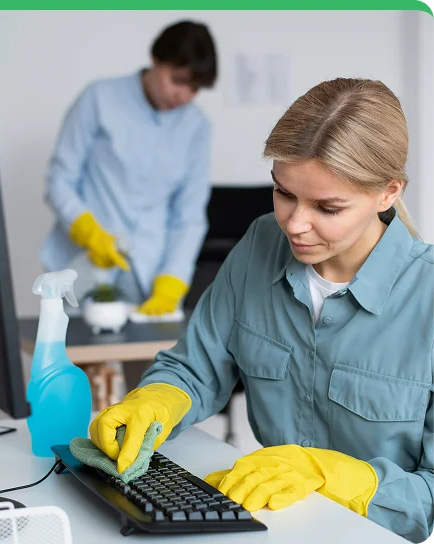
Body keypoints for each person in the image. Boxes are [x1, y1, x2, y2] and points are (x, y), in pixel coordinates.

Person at [89, 78, 433, 543]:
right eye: (284, 192)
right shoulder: (258, 245)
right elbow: (196, 368)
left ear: (388, 193)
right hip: (267, 528)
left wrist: (330, 474)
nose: (294, 223)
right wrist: (157, 401)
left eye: (328, 207)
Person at [40, 20, 217, 315]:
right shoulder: (99, 98)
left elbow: (189, 216)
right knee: (77, 358)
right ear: (155, 60)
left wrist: (172, 281)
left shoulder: (197, 127)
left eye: (194, 87)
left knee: (151, 360)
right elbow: (60, 179)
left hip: (147, 271)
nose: (183, 95)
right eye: (177, 80)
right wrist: (86, 230)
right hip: (82, 264)